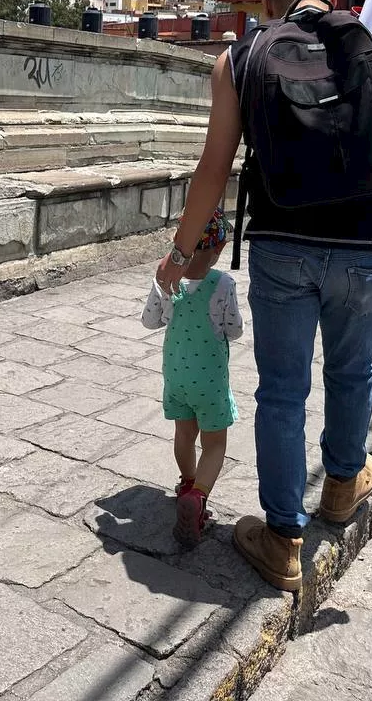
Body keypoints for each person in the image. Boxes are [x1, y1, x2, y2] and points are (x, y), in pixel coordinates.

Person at [156, 0, 372, 592]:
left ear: (268, 1)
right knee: (354, 371)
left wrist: (181, 256)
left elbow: (214, 166)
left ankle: (284, 540)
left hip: (281, 245)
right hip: (369, 246)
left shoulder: (240, 58)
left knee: (282, 392)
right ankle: (343, 488)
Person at [141, 209, 243, 548]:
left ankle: (187, 482)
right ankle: (197, 497)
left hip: (176, 375)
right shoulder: (223, 284)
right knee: (215, 443)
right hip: (210, 380)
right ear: (217, 251)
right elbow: (235, 330)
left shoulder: (169, 280)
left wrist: (159, 283)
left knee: (184, 435)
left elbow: (150, 322)